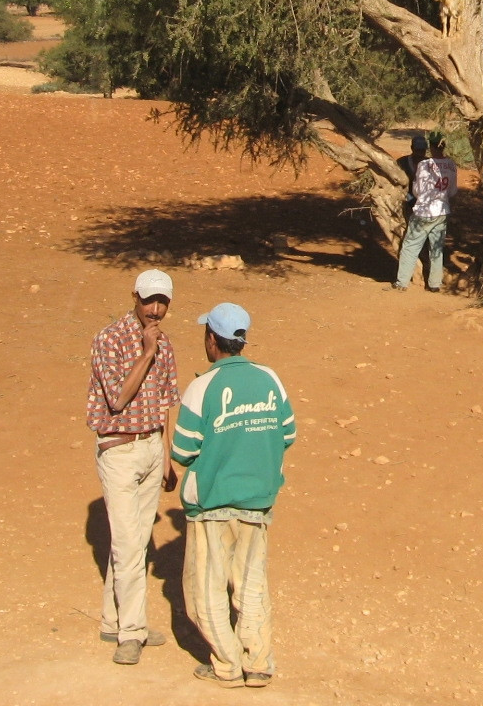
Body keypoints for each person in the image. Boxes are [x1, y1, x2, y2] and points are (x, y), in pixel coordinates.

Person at [171, 302, 297, 689]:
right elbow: (288, 433)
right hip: (257, 502)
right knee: (251, 584)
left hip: (212, 503)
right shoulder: (269, 378)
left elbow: (182, 450)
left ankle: (226, 665)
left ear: (212, 340)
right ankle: (258, 663)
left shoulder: (202, 386)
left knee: (206, 588)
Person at [86, 268, 181, 666]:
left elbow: (164, 403)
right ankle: (133, 632)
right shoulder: (109, 340)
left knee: (136, 542)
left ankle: (114, 620)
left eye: (162, 302)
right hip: (119, 452)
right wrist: (145, 351)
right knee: (128, 546)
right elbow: (119, 399)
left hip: (149, 449)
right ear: (134, 298)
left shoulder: (168, 345)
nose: (155, 310)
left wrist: (166, 455)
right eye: (148, 301)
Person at [393, 132, 457, 291]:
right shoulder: (451, 164)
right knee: (436, 248)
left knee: (410, 246)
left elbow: (417, 191)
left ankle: (402, 283)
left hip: (424, 211)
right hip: (442, 211)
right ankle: (435, 284)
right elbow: (453, 191)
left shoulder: (424, 165)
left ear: (431, 146)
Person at [395, 133, 428, 217]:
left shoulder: (430, 163)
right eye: (418, 150)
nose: (420, 154)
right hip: (407, 197)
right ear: (412, 148)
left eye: (423, 151)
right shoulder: (402, 162)